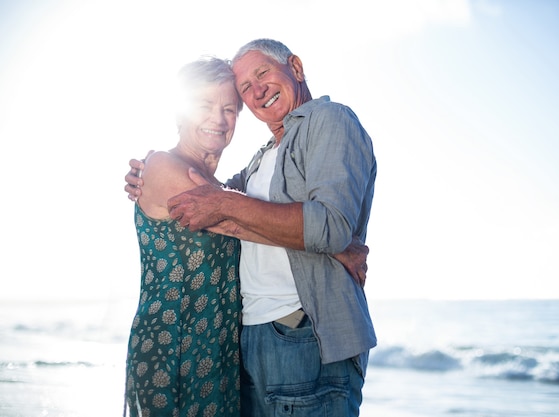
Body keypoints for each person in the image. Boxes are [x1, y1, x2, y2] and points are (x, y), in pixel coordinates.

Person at [125, 39, 376, 417]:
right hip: (188, 345)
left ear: (296, 67)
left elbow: (243, 211)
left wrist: (327, 237)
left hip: (283, 340)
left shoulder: (329, 120)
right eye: (245, 88)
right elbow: (238, 216)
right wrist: (334, 246)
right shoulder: (255, 161)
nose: (220, 117)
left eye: (230, 107)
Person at [124, 57, 243, 417]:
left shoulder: (225, 188)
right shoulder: (162, 165)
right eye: (204, 105)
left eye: (229, 108)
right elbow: (245, 223)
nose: (218, 119)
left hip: (218, 351)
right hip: (169, 346)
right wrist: (326, 242)